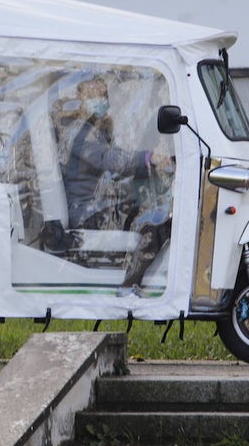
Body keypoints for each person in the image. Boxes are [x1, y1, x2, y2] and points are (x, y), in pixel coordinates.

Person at [56, 76, 172, 296]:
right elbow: (109, 160)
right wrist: (148, 157)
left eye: (102, 95)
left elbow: (116, 160)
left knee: (147, 208)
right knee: (157, 221)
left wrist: (150, 163)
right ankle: (130, 286)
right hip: (86, 213)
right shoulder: (80, 133)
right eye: (93, 96)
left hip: (95, 206)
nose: (99, 100)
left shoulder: (94, 129)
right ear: (81, 98)